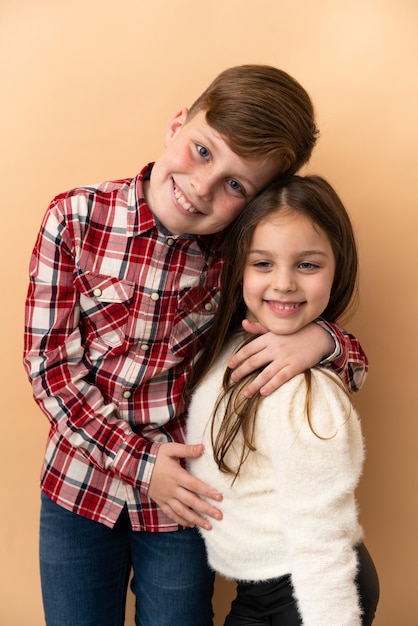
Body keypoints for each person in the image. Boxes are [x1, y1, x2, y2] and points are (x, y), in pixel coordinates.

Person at [23, 65, 368, 626]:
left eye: (237, 185)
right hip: (77, 488)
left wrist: (321, 340)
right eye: (203, 151)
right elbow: (50, 369)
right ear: (177, 124)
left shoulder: (239, 255)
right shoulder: (75, 219)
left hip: (183, 506)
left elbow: (339, 355)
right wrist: (139, 464)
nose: (202, 186)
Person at [186, 174, 379, 625]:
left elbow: (321, 535)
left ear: (339, 266)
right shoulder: (232, 346)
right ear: (238, 267)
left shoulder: (304, 392)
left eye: (308, 265)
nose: (285, 283)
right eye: (263, 264)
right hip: (259, 591)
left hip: (308, 589)